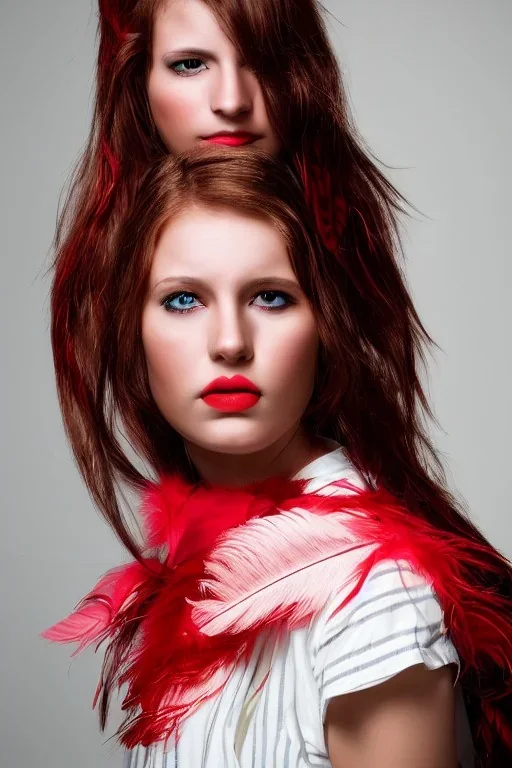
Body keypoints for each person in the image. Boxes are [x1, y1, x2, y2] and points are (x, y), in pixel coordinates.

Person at [43, 147, 512, 768]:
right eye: (184, 300)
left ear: (325, 327)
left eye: (270, 297)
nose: (230, 342)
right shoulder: (193, 569)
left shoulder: (371, 592)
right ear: (132, 334)